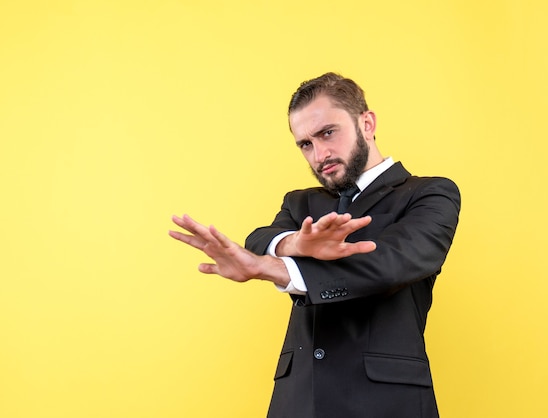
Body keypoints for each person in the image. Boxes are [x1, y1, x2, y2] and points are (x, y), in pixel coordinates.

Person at [169, 72, 461, 418]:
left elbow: (389, 265)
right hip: (299, 400)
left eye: (327, 133)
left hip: (385, 401)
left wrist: (272, 267)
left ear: (366, 123)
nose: (319, 153)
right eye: (305, 144)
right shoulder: (300, 203)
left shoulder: (430, 194)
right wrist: (295, 243)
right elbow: (260, 239)